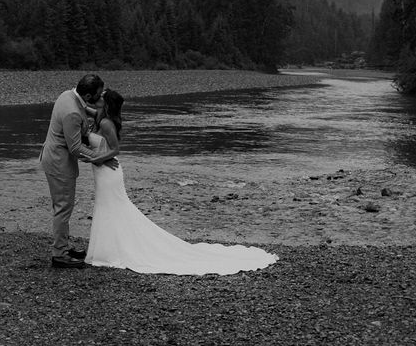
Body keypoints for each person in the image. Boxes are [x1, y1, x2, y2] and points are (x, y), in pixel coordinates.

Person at [85, 89, 279, 275]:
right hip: (103, 170)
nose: (97, 97)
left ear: (107, 104)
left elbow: (115, 150)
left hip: (108, 171)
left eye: (101, 96)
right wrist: (76, 97)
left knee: (112, 207)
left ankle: (113, 251)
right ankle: (110, 248)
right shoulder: (99, 117)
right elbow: (86, 108)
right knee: (107, 207)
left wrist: (95, 159)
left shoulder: (106, 124)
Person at [39, 73, 117, 269]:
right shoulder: (72, 112)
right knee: (63, 207)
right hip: (59, 163)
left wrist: (97, 113)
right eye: (99, 95)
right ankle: (60, 255)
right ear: (89, 95)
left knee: (64, 206)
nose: (101, 98)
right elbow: (75, 147)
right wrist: (101, 158)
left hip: (54, 157)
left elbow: (83, 110)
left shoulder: (67, 95)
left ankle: (63, 246)